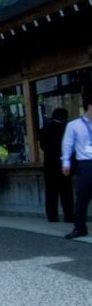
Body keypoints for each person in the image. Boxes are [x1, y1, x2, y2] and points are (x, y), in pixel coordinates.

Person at [62, 98, 92, 239]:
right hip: (85, 164)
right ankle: (80, 228)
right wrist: (66, 162)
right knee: (82, 197)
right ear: (89, 107)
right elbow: (67, 144)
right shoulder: (74, 125)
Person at [39, 108, 73, 223]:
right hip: (63, 164)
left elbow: (43, 146)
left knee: (51, 192)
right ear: (64, 117)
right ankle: (69, 215)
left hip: (49, 165)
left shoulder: (44, 129)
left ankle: (52, 216)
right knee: (66, 192)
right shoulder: (65, 129)